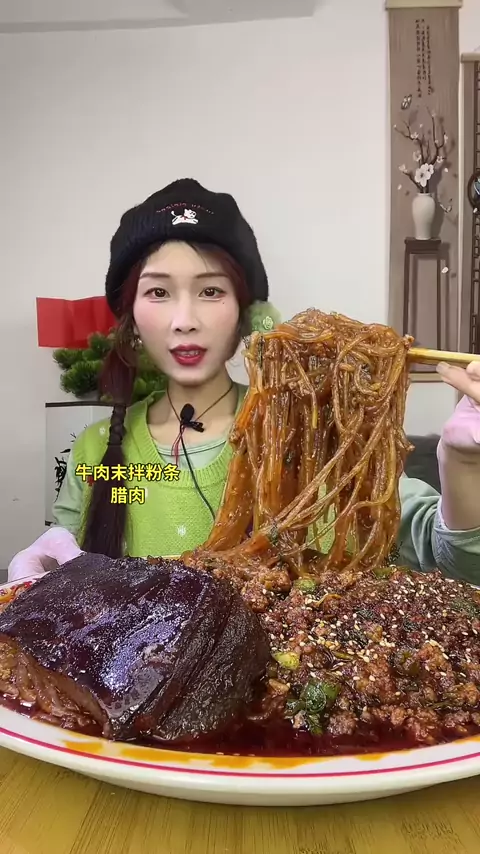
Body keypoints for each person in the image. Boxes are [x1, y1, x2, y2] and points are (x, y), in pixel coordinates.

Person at [7, 179, 480, 585]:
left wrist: (462, 464)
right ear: (131, 317)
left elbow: (455, 562)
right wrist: (40, 575)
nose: (184, 319)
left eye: (211, 290)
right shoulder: (96, 450)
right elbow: (61, 557)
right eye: (158, 292)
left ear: (246, 314)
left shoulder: (325, 436)